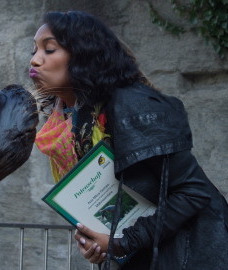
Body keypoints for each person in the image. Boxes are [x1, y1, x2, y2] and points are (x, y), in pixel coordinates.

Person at [30, 10, 228, 270]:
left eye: (50, 49)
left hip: (196, 256)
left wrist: (122, 242)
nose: (34, 60)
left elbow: (193, 192)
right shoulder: (75, 120)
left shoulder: (132, 105)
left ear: (83, 54)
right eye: (33, 50)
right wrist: (98, 243)